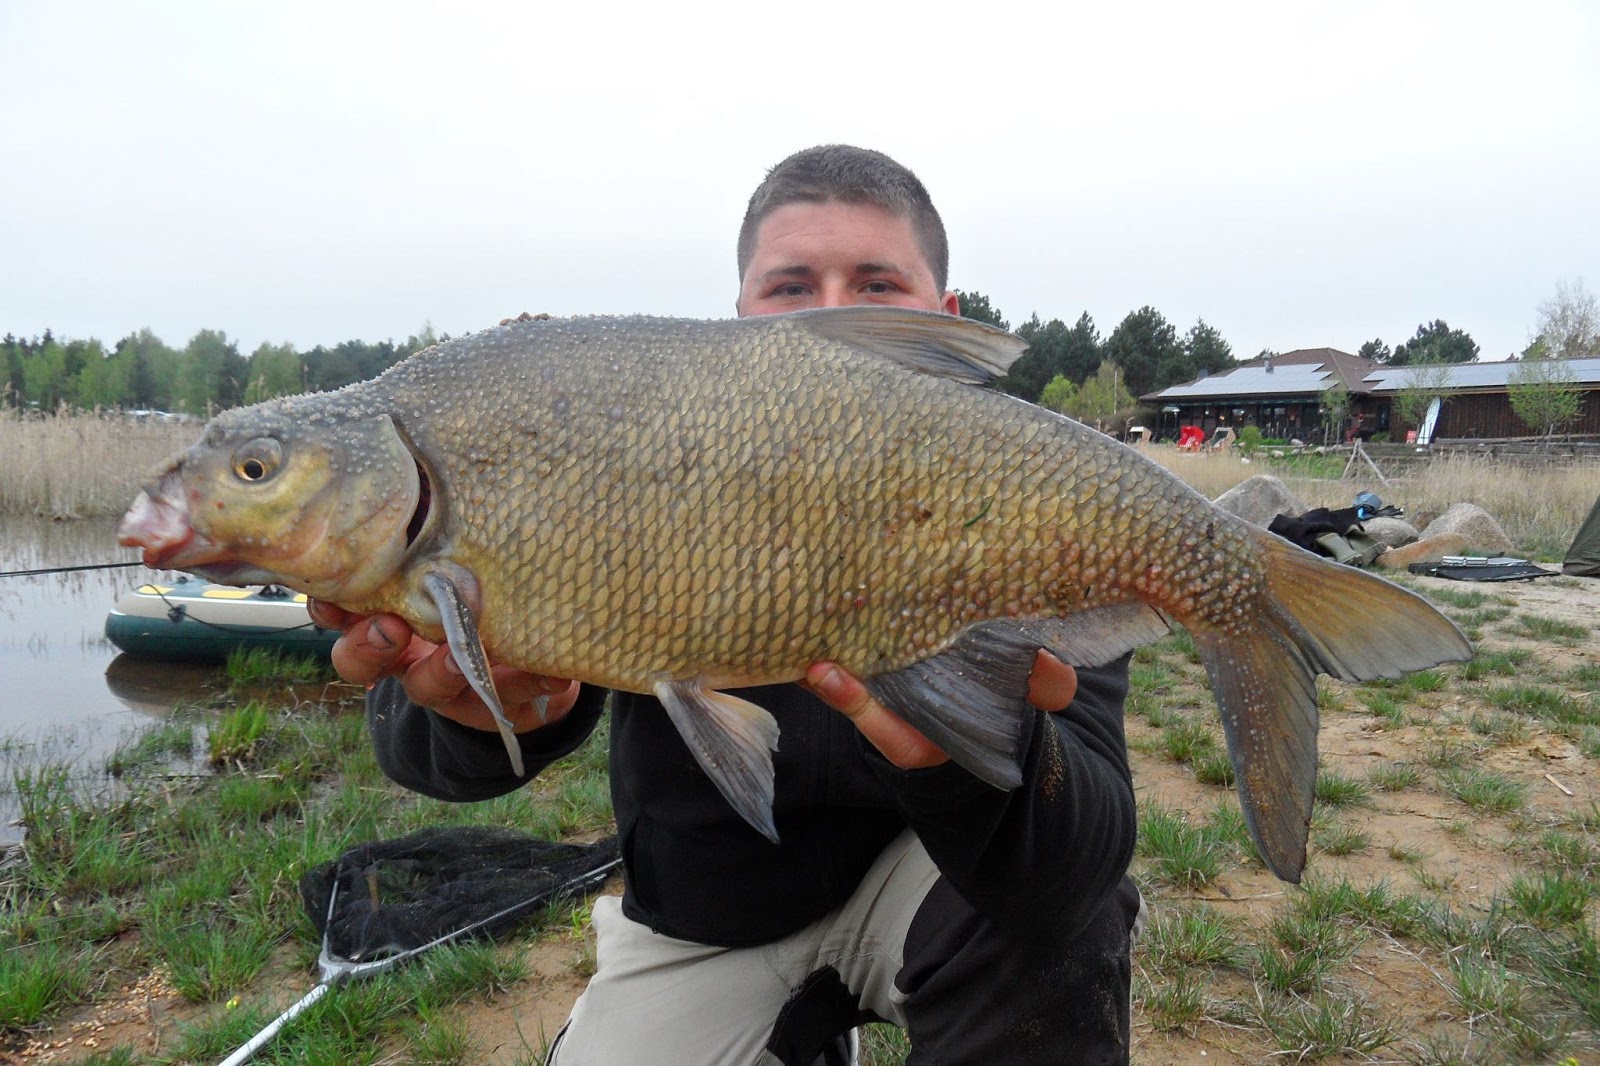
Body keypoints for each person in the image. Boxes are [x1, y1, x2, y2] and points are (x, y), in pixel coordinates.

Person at [312, 145, 1141, 1065]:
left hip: (938, 884)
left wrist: (977, 755)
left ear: (945, 318)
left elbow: (1081, 867)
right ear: (739, 318)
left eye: (876, 283)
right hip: (703, 924)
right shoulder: (638, 446)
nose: (831, 312)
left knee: (1057, 940)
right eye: (790, 286)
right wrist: (489, 710)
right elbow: (423, 736)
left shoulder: (1036, 491)